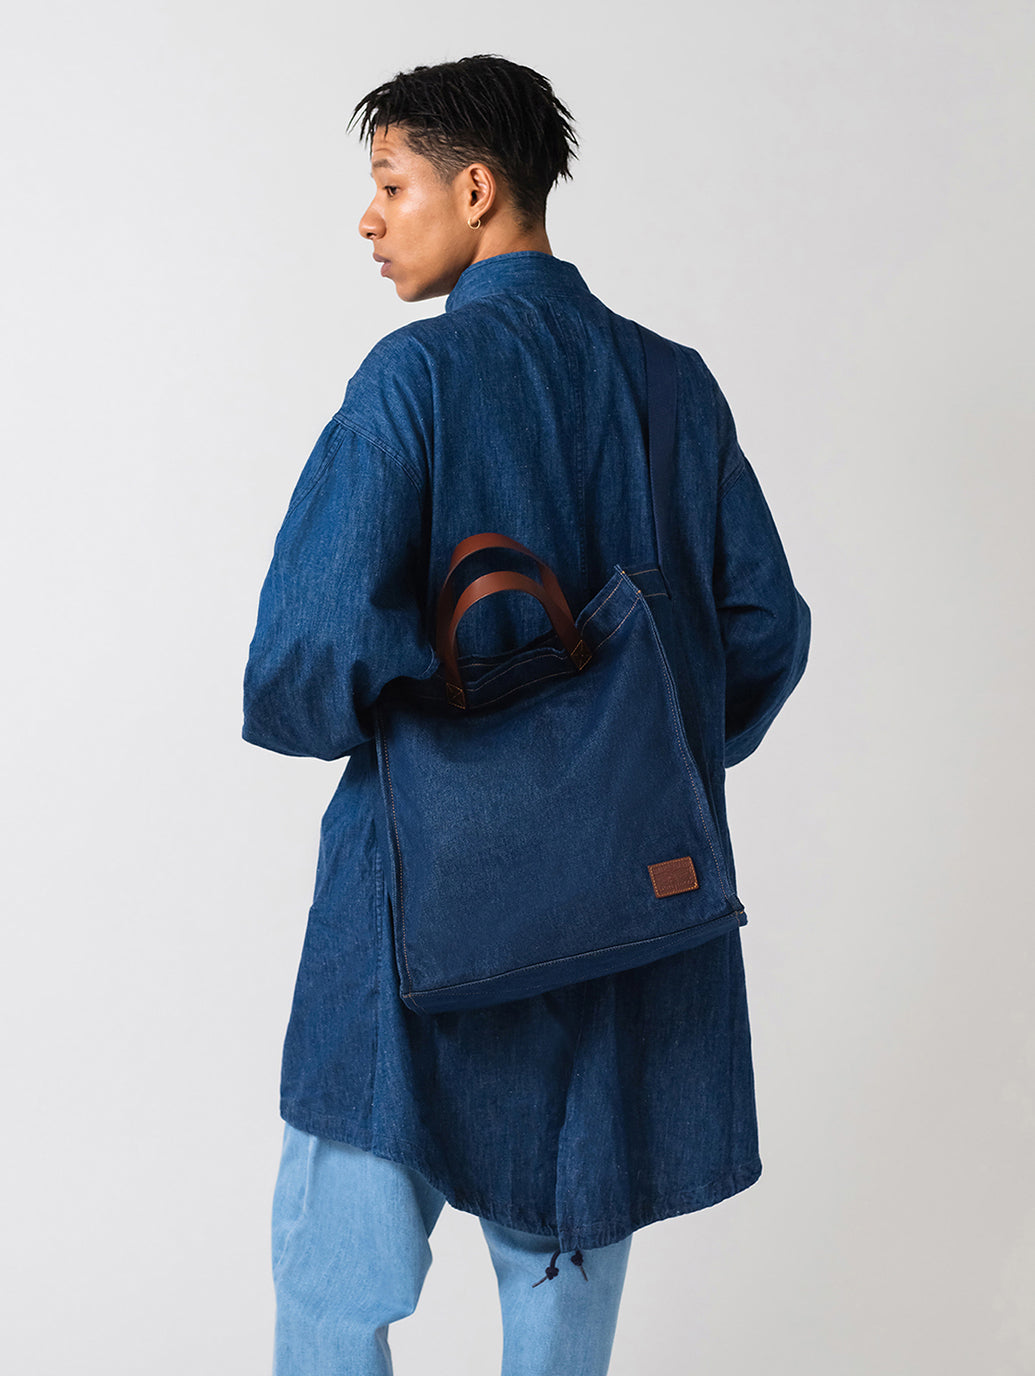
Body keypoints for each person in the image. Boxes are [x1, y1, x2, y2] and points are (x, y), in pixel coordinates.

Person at [242, 53, 811, 1376]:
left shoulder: (415, 382)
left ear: (477, 189)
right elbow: (763, 631)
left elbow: (302, 663)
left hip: (411, 919)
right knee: (561, 1300)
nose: (369, 219)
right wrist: (620, 762)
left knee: (338, 1287)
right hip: (618, 918)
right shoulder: (673, 389)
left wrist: (450, 694)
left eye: (391, 185)